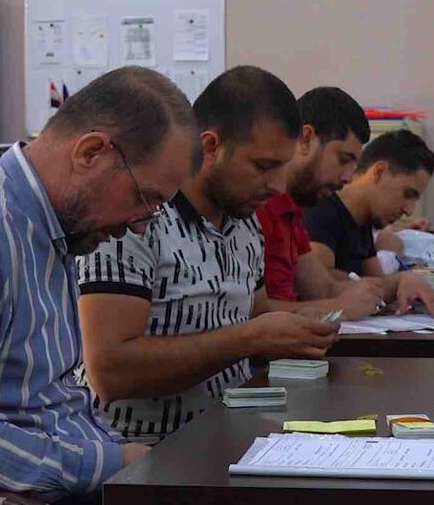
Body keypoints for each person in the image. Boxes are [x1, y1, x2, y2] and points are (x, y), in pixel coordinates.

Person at [0, 66, 197, 500]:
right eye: (143, 199)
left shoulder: (56, 229)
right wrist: (110, 463)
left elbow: (53, 404)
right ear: (91, 152)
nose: (141, 227)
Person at [75, 66, 340, 445]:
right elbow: (110, 372)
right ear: (211, 147)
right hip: (139, 452)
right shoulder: (133, 218)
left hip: (231, 434)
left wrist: (300, 326)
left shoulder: (244, 219)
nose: (278, 185)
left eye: (283, 167)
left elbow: (255, 315)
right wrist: (248, 340)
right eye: (264, 166)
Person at [258, 87, 434, 316]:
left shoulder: (291, 207)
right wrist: (337, 308)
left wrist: (399, 281)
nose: (347, 177)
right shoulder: (258, 203)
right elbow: (253, 313)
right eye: (343, 159)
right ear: (306, 139)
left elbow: (324, 288)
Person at [305, 130, 434, 316]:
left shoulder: (363, 219)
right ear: (379, 172)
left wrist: (405, 283)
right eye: (407, 194)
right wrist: (399, 281)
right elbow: (319, 284)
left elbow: (375, 281)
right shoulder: (321, 208)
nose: (409, 210)